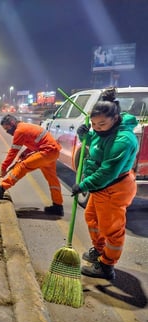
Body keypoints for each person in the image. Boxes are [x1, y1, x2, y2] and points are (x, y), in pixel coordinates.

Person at [72, 87, 138, 280]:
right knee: (92, 218)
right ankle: (99, 251)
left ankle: (107, 265)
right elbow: (98, 142)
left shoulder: (123, 140)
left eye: (102, 124)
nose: (97, 127)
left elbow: (107, 172)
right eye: (93, 124)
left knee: (111, 229)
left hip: (114, 188)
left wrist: (83, 185)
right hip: (101, 188)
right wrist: (86, 135)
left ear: (115, 119)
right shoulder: (105, 132)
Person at [0, 115, 64, 216]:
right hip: (53, 151)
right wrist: (24, 154)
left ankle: (1, 188)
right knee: (52, 179)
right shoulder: (24, 127)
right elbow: (35, 143)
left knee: (23, 166)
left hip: (46, 151)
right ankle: (58, 206)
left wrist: (4, 168)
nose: (7, 131)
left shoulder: (19, 131)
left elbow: (13, 152)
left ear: (12, 123)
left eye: (7, 128)